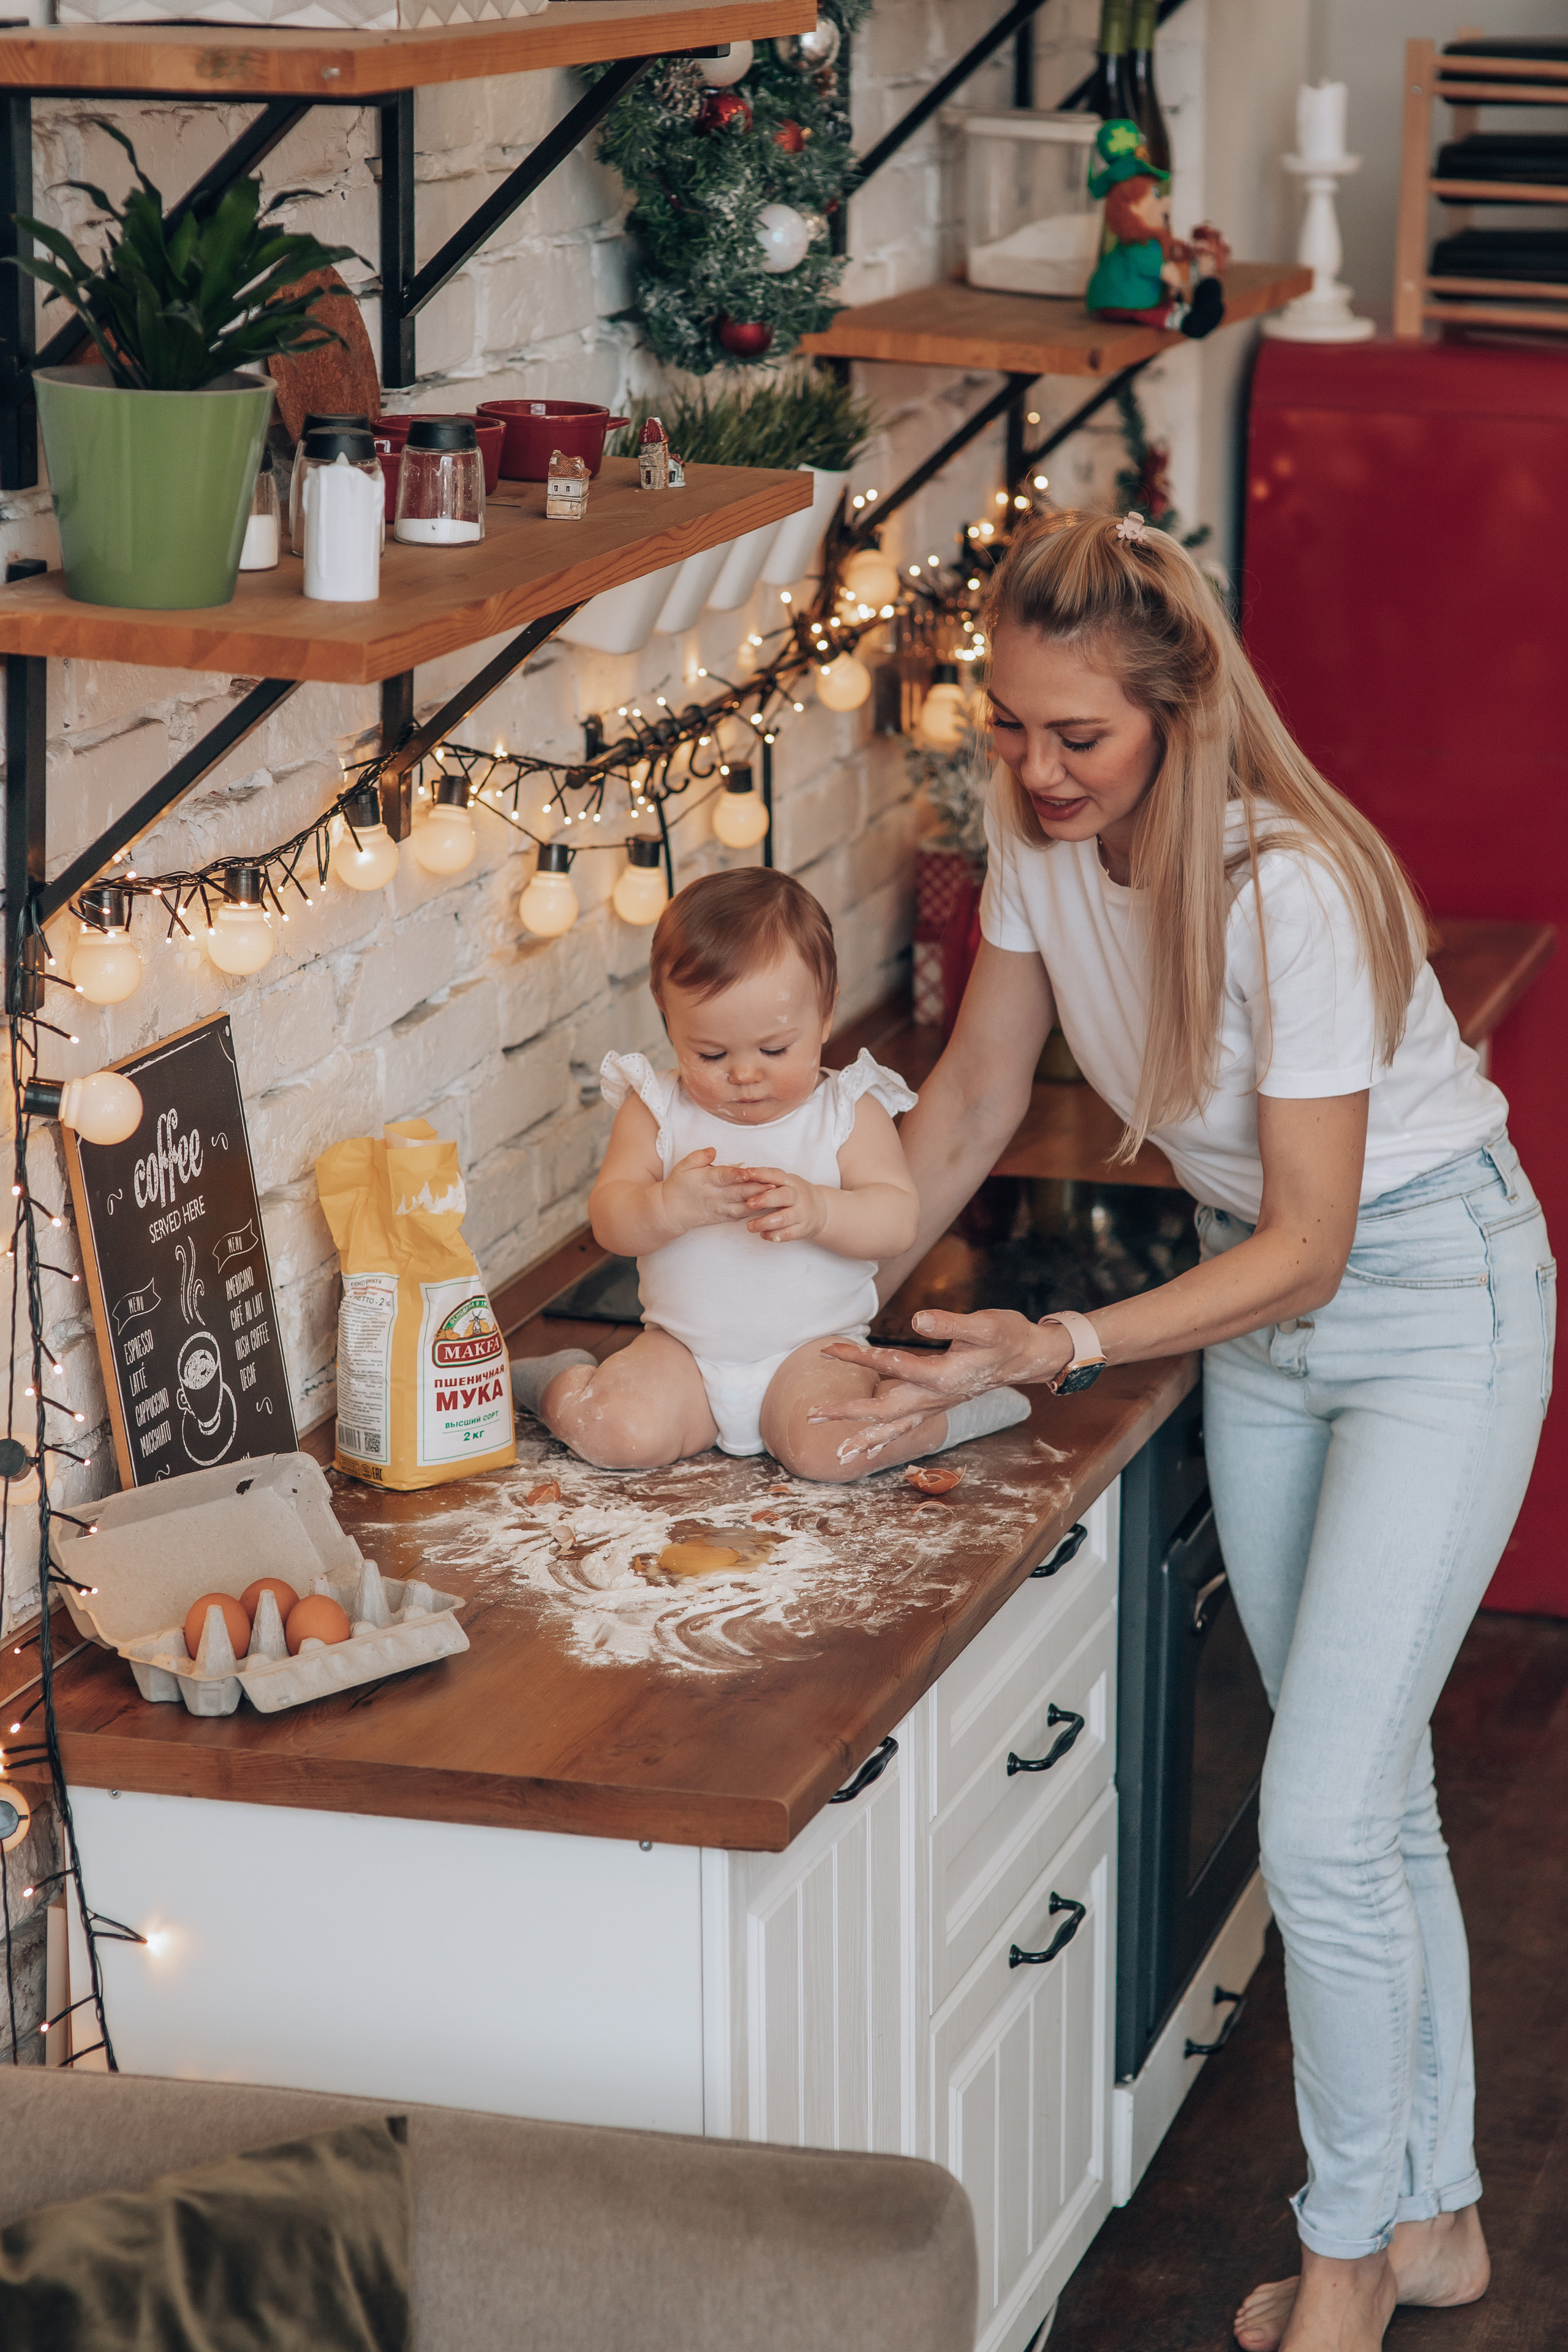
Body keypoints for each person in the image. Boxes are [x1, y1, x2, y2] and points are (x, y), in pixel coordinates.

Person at [812, 511, 1553, 2351]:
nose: (1039, 769)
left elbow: (1310, 1242)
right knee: (1365, 1802)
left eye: (1080, 736)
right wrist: (816, 1333)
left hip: (1423, 1306)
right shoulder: (1038, 839)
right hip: (1264, 1310)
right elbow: (976, 1095)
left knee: (1316, 1818)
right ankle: (1438, 2212)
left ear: (1180, 706)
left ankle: (1344, 2257)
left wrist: (1047, 1341)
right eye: (1011, 726)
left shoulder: (1281, 881)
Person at [510, 867, 1028, 1480]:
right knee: (617, 1434)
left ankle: (959, 1413)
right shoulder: (656, 1109)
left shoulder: (847, 1110)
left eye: (774, 1050)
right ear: (668, 1022)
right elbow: (611, 1220)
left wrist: (822, 1210)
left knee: (830, 1452)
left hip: (814, 1351)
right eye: (710, 1054)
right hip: (681, 1351)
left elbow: (896, 1221)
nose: (744, 1074)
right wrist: (665, 1207)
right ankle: (554, 1382)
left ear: (826, 1015)